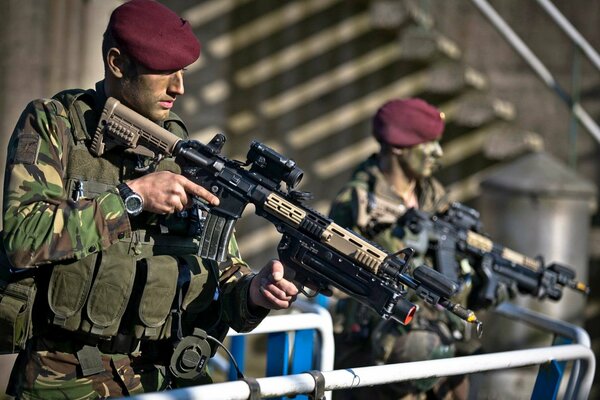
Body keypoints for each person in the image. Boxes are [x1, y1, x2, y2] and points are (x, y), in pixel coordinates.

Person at [0, 0, 298, 398]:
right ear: (117, 63)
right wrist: (131, 198)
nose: (179, 87)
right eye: (165, 71)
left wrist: (255, 293)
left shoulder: (184, 155)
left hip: (164, 376)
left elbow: (225, 280)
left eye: (183, 72)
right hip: (64, 378)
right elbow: (22, 239)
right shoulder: (55, 126)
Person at [329, 98, 474, 400]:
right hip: (372, 342)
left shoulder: (436, 200)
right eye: (429, 144)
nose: (439, 153)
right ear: (398, 146)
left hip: (437, 334)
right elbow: (341, 280)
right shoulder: (356, 204)